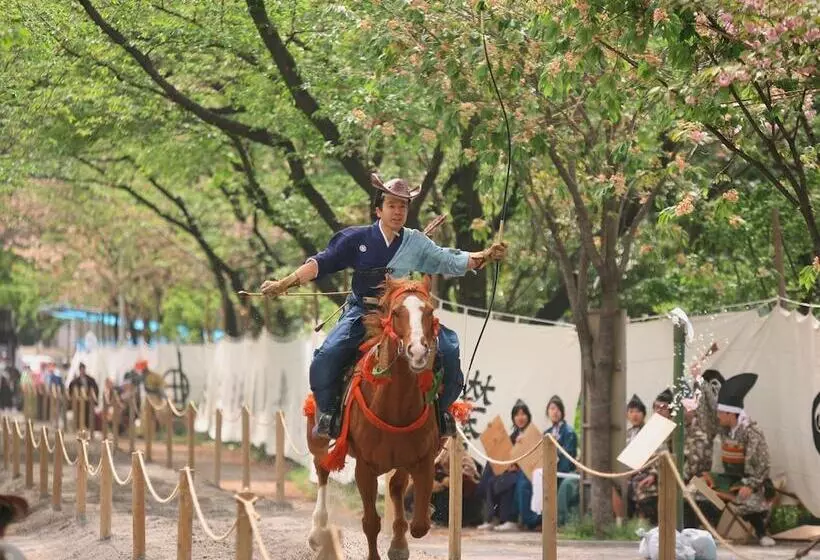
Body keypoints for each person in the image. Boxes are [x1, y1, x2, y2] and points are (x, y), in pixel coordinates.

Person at [259, 175, 508, 438]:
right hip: (362, 312)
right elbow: (322, 262)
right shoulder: (356, 238)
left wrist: (485, 256)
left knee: (448, 347)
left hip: (399, 314)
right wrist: (286, 282)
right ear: (379, 209)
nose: (398, 212)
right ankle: (330, 414)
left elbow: (447, 259)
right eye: (392, 205)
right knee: (327, 355)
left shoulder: (415, 242)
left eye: (403, 206)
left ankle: (441, 413)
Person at [706, 373, 775, 547]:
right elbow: (706, 418)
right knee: (696, 489)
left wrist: (750, 485)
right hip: (730, 478)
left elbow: (763, 465)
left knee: (747, 501)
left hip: (751, 481)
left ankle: (761, 533)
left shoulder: (751, 432)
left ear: (731, 414)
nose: (718, 416)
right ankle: (705, 531)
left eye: (721, 413)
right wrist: (700, 382)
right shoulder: (724, 429)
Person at [516, 395, 577, 530]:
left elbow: (568, 457)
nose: (554, 412)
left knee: (538, 477)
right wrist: (522, 442)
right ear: (548, 412)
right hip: (544, 470)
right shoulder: (547, 432)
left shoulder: (568, 432)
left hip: (560, 470)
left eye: (557, 409)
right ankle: (531, 520)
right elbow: (535, 453)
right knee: (524, 481)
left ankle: (539, 519)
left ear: (562, 412)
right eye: (551, 409)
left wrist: (556, 452)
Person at [476, 400, 531, 532]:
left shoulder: (531, 434)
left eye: (523, 414)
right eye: (517, 415)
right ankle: (492, 519)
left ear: (528, 416)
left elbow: (532, 457)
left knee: (506, 482)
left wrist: (516, 466)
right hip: (510, 470)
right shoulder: (512, 436)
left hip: (524, 473)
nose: (520, 417)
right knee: (491, 481)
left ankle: (510, 520)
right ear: (513, 418)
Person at [404, 443, 484, 527]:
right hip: (440, 489)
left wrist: (453, 479)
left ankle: (439, 520)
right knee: (416, 489)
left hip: (463, 495)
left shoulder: (457, 451)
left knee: (445, 493)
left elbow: (471, 473)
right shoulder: (428, 454)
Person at [631, 388, 674, 525]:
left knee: (643, 488)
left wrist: (654, 474)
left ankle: (655, 525)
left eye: (663, 408)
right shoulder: (651, 429)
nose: (658, 411)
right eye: (656, 408)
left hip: (667, 474)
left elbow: (671, 457)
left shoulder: (675, 429)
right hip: (645, 472)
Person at [67, 363, 99, 430]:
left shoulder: (90, 380)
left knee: (88, 415)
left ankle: (89, 427)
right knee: (80, 415)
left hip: (89, 401)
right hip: (79, 402)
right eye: (81, 369)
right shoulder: (75, 381)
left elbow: (95, 389)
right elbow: (71, 391)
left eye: (83, 369)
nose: (82, 371)